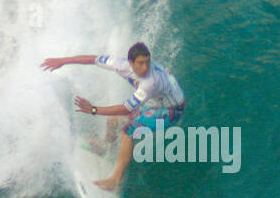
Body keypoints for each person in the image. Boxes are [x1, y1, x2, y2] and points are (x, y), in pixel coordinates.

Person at [41, 42, 185, 190]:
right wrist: (62, 61)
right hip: (155, 104)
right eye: (141, 63)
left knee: (128, 130)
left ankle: (115, 180)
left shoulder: (151, 82)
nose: (145, 67)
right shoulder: (120, 64)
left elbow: (125, 109)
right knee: (112, 121)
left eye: (147, 62)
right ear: (130, 63)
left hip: (171, 111)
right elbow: (92, 59)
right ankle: (106, 148)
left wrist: (93, 110)